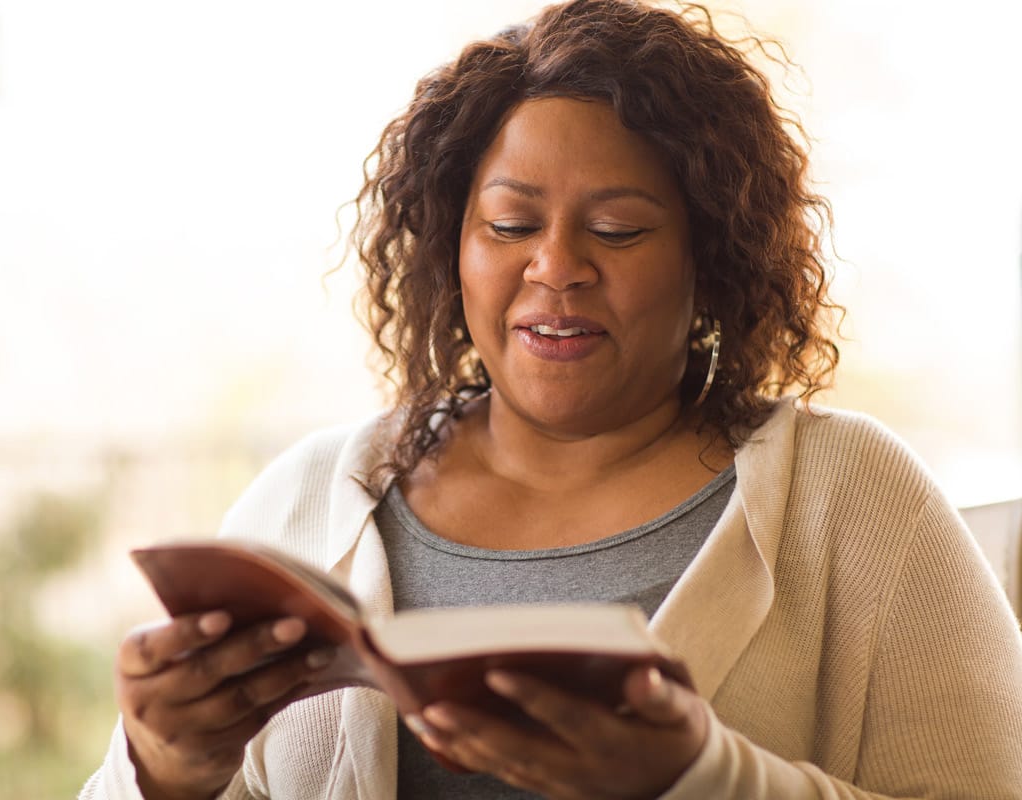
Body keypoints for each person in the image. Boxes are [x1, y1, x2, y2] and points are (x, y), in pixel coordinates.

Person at [80, 1, 1022, 798]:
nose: (557, 268)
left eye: (617, 229)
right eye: (510, 224)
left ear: (712, 258)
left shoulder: (853, 499)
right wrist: (162, 768)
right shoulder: (314, 497)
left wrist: (700, 775)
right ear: (455, 248)